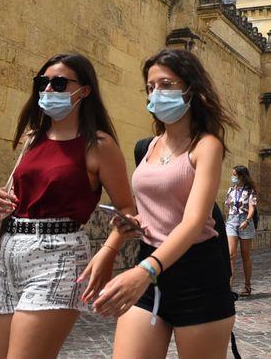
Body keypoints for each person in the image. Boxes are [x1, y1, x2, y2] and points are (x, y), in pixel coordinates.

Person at [0, 53, 135, 359]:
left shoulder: (99, 145)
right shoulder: (32, 138)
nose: (49, 89)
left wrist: (108, 253)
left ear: (85, 90)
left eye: (59, 82)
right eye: (43, 82)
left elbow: (128, 210)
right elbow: (16, 192)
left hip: (59, 256)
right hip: (9, 255)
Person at [92, 49, 236, 358]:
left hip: (197, 273)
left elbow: (193, 221)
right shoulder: (147, 146)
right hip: (150, 263)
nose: (156, 93)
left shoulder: (206, 145)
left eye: (166, 84)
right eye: (150, 87)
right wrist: (124, 233)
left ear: (190, 90)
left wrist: (144, 271)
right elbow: (146, 207)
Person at [225, 165, 258, 295]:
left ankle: (247, 285)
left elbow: (252, 208)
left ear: (241, 176)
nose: (232, 177)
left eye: (234, 175)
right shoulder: (230, 190)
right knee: (231, 255)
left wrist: (247, 220)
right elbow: (229, 206)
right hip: (232, 221)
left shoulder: (250, 191)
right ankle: (228, 286)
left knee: (245, 255)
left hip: (245, 221)